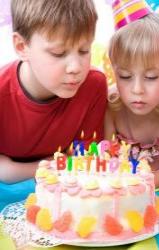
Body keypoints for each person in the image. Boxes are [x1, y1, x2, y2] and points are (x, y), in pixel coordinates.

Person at [0, 0, 107, 208]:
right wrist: (52, 164)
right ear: (22, 47)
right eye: (59, 53)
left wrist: (14, 169)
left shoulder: (93, 85)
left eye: (84, 50)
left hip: (66, 201)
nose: (76, 67)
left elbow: (82, 161)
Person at [104, 0, 159, 187]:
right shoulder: (111, 103)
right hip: (120, 196)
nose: (137, 89)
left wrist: (140, 184)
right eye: (125, 76)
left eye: (151, 77)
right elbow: (105, 161)